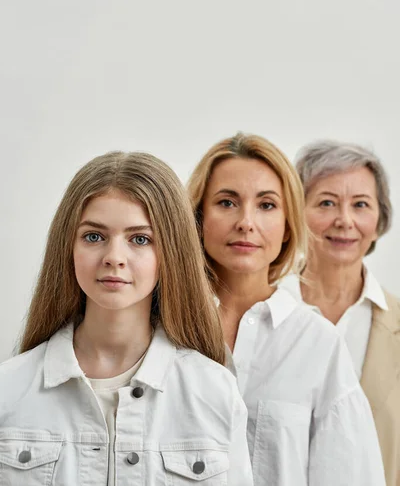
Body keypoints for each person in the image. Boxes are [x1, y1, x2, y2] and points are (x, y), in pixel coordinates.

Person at [0, 151, 253, 486]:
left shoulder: (214, 392)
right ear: (68, 247)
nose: (114, 257)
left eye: (140, 239)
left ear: (170, 253)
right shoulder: (9, 389)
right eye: (94, 236)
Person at [187, 132, 385, 486]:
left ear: (288, 226)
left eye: (266, 205)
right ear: (198, 217)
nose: (246, 222)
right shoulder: (162, 328)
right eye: (227, 202)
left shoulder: (318, 343)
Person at [279, 139, 400, 486]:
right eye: (326, 203)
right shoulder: (263, 315)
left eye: (360, 204)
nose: (344, 220)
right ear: (295, 213)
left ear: (379, 221)